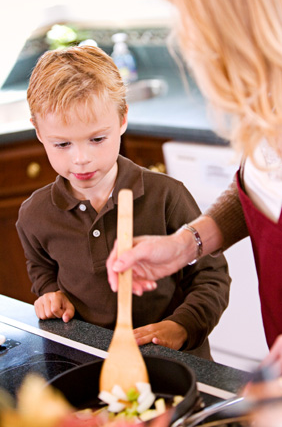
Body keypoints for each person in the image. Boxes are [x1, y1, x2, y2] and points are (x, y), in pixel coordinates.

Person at [107, 0, 282, 391]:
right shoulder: (275, 105)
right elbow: (264, 192)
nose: (183, 38)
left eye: (188, 15)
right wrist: (187, 243)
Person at [15, 45, 231, 360]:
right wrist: (51, 293)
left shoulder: (166, 196)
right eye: (62, 144)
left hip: (175, 362)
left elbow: (211, 275)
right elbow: (41, 266)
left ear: (123, 119)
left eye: (97, 139)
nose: (81, 159)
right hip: (87, 360)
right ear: (38, 131)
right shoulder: (34, 215)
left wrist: (182, 327)